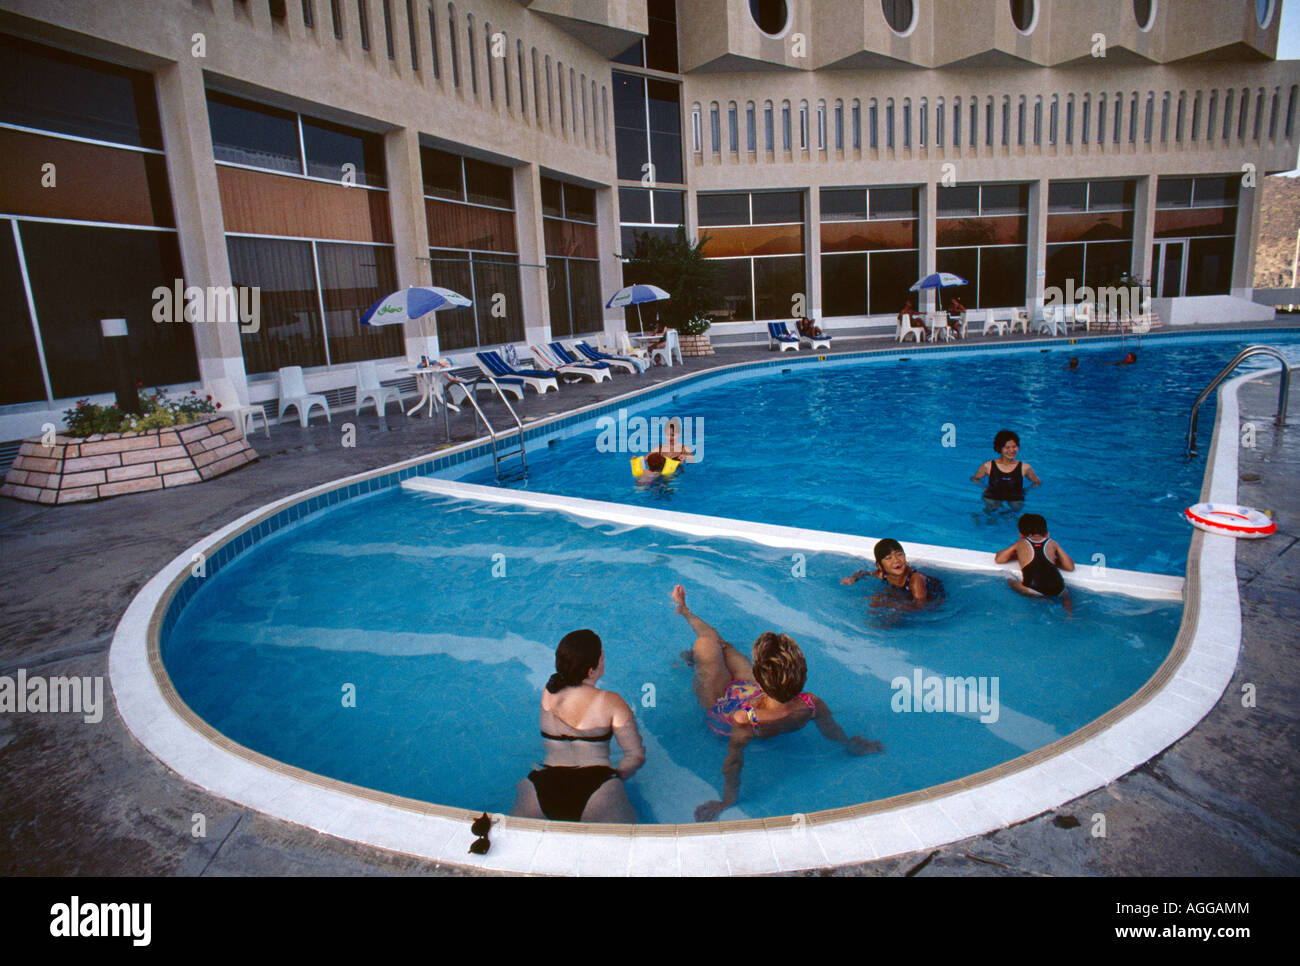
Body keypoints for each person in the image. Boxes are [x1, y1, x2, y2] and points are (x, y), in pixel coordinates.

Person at [671, 585, 881, 821]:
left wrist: (726, 801)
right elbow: (830, 729)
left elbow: (733, 761)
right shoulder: (811, 703)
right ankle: (686, 613)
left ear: (761, 678)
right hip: (763, 696)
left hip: (724, 708)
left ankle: (688, 628)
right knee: (722, 647)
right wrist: (849, 744)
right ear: (802, 675)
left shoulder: (746, 719)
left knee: (706, 645)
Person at [511, 629, 645, 823]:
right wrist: (614, 779)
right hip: (598, 791)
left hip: (540, 787)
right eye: (602, 659)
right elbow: (635, 756)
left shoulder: (549, 692)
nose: (603, 663)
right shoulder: (612, 702)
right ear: (591, 671)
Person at [994, 513, 1076, 615]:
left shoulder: (1021, 543)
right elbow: (1070, 567)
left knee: (1010, 580)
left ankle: (1044, 600)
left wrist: (1016, 555)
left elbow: (999, 559)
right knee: (1066, 595)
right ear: (1047, 534)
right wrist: (1055, 561)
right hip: (1059, 587)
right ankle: (1069, 614)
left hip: (1034, 588)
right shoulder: (1052, 543)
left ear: (1020, 534)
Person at [841, 538, 944, 607]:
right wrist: (853, 578)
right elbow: (863, 573)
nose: (896, 561)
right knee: (879, 601)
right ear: (879, 566)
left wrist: (891, 604)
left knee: (885, 604)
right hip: (904, 592)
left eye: (899, 555)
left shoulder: (916, 579)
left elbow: (921, 606)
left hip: (933, 596)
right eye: (889, 558)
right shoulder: (882, 573)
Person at [971, 429, 1041, 511]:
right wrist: (984, 488)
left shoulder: (1025, 467)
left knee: (1016, 510)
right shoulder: (988, 466)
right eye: (1007, 447)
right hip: (993, 496)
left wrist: (1025, 491)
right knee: (992, 510)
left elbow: (1037, 482)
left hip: (1015, 497)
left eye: (1014, 447)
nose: (1012, 450)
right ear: (999, 448)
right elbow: (975, 479)